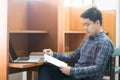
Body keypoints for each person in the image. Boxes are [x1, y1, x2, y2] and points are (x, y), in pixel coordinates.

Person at [38, 7, 114, 80]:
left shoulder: (105, 42)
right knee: (45, 67)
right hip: (75, 75)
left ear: (97, 23)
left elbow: (98, 69)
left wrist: (72, 71)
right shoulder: (87, 40)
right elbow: (73, 56)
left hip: (86, 78)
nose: (85, 28)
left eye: (87, 24)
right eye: (83, 25)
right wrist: (53, 54)